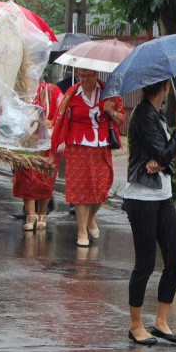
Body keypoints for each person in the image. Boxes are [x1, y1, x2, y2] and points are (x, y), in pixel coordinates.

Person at [122, 78, 176, 346]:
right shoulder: (143, 116)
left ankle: (161, 322)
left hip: (162, 196)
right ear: (164, 87)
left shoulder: (158, 115)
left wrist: (162, 163)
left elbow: (163, 158)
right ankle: (135, 324)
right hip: (141, 197)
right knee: (146, 263)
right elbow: (164, 155)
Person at [52, 67, 125, 246]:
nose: (84, 80)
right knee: (80, 189)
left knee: (102, 187)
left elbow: (121, 120)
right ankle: (82, 230)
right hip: (77, 146)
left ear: (96, 74)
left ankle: (91, 217)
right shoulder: (72, 93)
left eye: (88, 76)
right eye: (81, 76)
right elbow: (60, 119)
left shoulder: (108, 93)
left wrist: (111, 111)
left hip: (101, 146)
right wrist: (60, 143)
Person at [15, 81, 61, 231]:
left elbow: (63, 112)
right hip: (28, 136)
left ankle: (42, 213)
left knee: (46, 175)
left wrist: (52, 121)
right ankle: (31, 214)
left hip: (46, 137)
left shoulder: (51, 89)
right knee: (26, 174)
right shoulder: (19, 90)